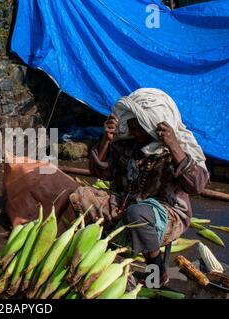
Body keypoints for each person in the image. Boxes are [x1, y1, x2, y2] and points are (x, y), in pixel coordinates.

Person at [71, 88, 209, 286]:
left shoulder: (177, 149)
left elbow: (197, 186)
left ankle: (157, 272)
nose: (134, 132)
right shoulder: (130, 144)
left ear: (152, 126)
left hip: (166, 213)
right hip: (124, 202)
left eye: (139, 128)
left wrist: (173, 145)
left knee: (137, 214)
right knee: (80, 195)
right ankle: (94, 255)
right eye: (132, 126)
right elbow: (101, 172)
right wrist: (106, 140)